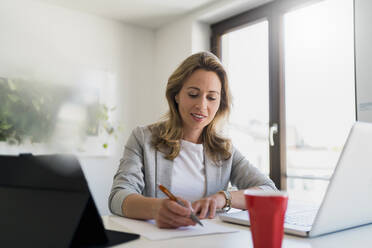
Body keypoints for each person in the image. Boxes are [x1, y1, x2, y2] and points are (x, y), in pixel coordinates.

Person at [109, 51, 277, 228]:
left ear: (220, 102)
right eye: (193, 94)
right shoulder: (143, 138)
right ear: (176, 95)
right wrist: (156, 209)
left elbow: (269, 192)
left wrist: (223, 198)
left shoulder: (224, 150)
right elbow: (117, 197)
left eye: (211, 97)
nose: (202, 106)